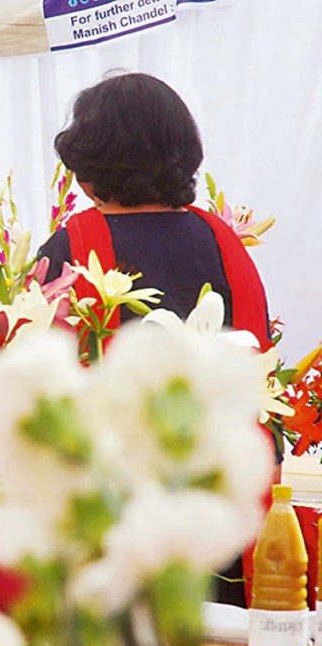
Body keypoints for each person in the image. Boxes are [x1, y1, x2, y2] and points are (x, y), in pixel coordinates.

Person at [36, 72, 272, 606]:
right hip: (221, 507)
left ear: (91, 163)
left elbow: (40, 376)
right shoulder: (222, 242)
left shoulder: (73, 246)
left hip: (114, 515)